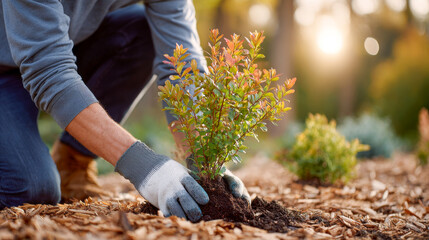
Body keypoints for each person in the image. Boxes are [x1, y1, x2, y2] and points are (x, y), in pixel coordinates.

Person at [0, 0, 250, 222]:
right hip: (9, 68)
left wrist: (204, 160)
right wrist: (146, 168)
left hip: (62, 44)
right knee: (27, 190)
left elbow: (182, 65)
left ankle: (72, 162)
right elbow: (48, 72)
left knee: (142, 32)